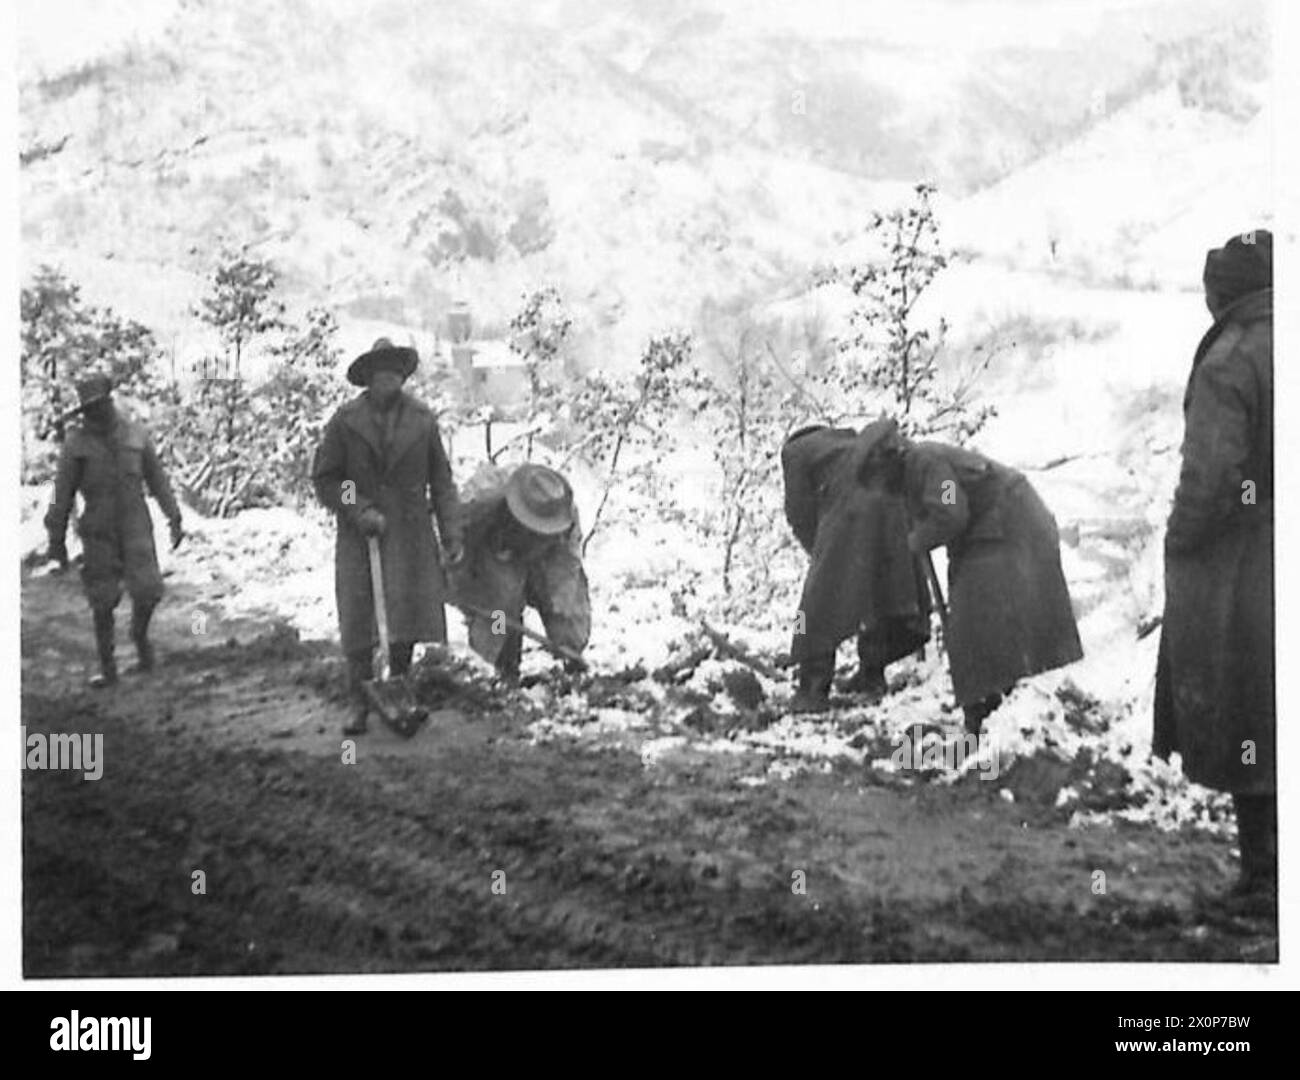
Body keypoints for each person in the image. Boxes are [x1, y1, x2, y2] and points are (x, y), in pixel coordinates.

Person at [1153, 230, 1273, 904]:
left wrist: (1182, 540)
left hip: (1249, 560)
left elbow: (1210, 477)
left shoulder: (1232, 359)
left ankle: (1264, 877)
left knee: (1250, 709)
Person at [857, 420, 1082, 733]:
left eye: (878, 480)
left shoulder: (927, 461)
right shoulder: (915, 470)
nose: (881, 489)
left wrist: (918, 538)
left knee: (973, 617)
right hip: (995, 527)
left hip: (1012, 521)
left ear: (886, 461)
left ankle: (992, 709)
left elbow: (950, 511)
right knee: (976, 618)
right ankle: (991, 706)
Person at [311, 338, 464, 735]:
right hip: (359, 536)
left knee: (405, 616)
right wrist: (358, 507)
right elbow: (328, 478)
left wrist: (451, 533)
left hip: (410, 531)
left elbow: (442, 482)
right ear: (368, 378)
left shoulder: (423, 420)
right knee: (359, 619)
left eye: (395, 372)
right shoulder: (345, 421)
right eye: (381, 373)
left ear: (402, 376)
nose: (388, 380)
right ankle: (359, 703)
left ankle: (400, 690)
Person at [43, 373, 185, 687]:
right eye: (91, 408)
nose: (98, 412)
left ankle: (140, 639)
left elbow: (158, 480)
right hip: (98, 529)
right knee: (102, 601)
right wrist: (56, 541)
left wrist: (173, 517)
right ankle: (108, 670)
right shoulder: (75, 445)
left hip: (136, 524)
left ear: (110, 402)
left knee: (148, 591)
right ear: (84, 411)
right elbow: (61, 495)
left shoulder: (136, 435)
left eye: (101, 405)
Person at [781, 421, 930, 713]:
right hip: (895, 508)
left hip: (850, 510)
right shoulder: (850, 441)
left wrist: (819, 552)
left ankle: (812, 689)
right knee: (882, 592)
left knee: (813, 607)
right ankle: (872, 675)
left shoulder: (794, 451)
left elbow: (798, 511)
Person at [449, 463, 590, 683]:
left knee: (569, 615)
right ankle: (501, 667)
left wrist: (566, 634)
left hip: (546, 558)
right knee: (500, 611)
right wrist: (457, 577)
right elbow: (454, 541)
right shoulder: (482, 499)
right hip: (497, 553)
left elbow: (566, 571)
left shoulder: (565, 518)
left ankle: (572, 666)